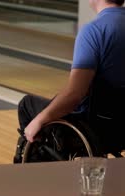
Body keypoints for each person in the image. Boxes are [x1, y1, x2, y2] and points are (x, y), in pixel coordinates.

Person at [13, 0, 125, 163]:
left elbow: (74, 95)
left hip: (96, 130)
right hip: (121, 129)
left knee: (27, 105)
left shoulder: (94, 31)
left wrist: (39, 120)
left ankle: (37, 177)